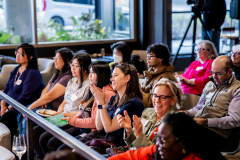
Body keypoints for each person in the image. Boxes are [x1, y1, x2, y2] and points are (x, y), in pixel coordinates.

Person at [46, 62, 116, 152]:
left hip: (91, 131)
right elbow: (83, 109)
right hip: (82, 125)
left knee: (56, 145)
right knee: (47, 137)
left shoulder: (107, 93)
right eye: (72, 65)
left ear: (101, 74)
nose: (89, 75)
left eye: (93, 73)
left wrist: (71, 120)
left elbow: (96, 123)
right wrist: (67, 116)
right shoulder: (93, 87)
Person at [33, 52, 92, 160]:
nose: (73, 68)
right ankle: (41, 157)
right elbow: (64, 102)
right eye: (72, 65)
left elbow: (84, 112)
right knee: (36, 131)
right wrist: (59, 113)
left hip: (74, 119)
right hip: (62, 116)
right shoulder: (72, 81)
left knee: (46, 139)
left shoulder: (89, 86)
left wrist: (63, 115)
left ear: (84, 68)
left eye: (76, 66)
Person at [179, 55, 240, 150]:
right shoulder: (209, 84)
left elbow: (235, 120)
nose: (214, 77)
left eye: (218, 74)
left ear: (229, 72)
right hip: (201, 126)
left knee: (181, 137)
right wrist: (186, 113)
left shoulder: (237, 89)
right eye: (212, 72)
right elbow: (199, 108)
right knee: (172, 126)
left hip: (219, 133)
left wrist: (206, 122)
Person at [108, 113, 226, 160]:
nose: (158, 144)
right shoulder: (159, 149)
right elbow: (131, 156)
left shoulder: (199, 157)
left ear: (182, 142)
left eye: (164, 140)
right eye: (158, 138)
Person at [79, 64, 145, 148]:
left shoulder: (134, 103)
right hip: (106, 139)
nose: (111, 79)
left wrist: (102, 102)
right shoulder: (114, 98)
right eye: (112, 75)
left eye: (116, 75)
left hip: (118, 145)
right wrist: (99, 101)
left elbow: (108, 128)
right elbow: (99, 126)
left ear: (127, 78)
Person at [16, 48, 74, 135]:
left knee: (27, 119)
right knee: (20, 114)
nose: (55, 61)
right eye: (54, 58)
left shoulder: (67, 77)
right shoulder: (58, 72)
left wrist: (31, 107)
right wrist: (43, 99)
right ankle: (22, 144)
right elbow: (46, 89)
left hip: (53, 110)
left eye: (57, 58)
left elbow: (50, 96)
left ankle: (26, 145)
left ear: (67, 61)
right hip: (47, 107)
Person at [118, 78, 183, 149]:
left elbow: (158, 152)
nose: (157, 100)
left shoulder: (173, 123)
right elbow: (133, 144)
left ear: (173, 100)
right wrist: (129, 130)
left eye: (163, 97)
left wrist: (140, 136)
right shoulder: (148, 112)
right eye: (155, 96)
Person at [0, 43, 45, 139]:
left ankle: (8, 146)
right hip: (11, 104)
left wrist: (10, 107)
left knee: (6, 117)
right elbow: (7, 88)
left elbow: (26, 97)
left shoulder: (32, 73)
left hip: (21, 107)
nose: (17, 56)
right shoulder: (17, 69)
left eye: (21, 54)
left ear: (30, 57)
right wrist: (3, 105)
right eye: (17, 53)